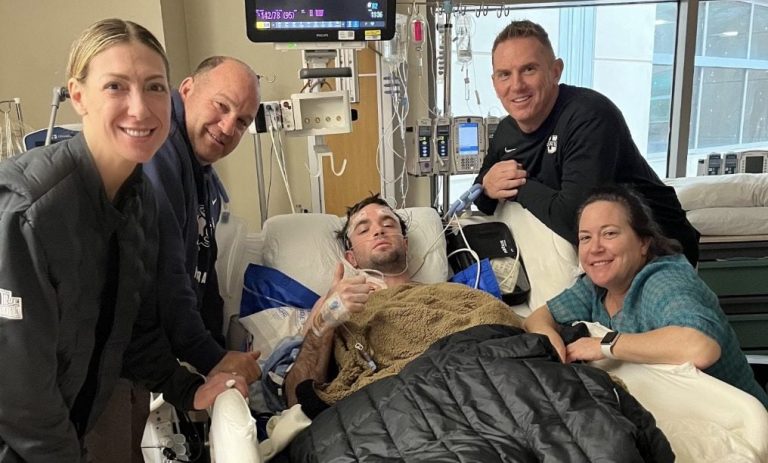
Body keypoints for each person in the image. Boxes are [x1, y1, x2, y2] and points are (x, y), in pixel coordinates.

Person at [0, 19, 247, 461]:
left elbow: (131, 331)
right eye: (116, 86)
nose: (140, 108)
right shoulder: (30, 212)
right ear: (78, 96)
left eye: (154, 88)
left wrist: (188, 389)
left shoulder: (137, 201)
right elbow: (19, 394)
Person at [278, 194, 673, 462]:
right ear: (351, 257)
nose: (378, 229)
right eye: (363, 228)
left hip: (494, 369)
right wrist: (325, 321)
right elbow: (294, 394)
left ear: (406, 243)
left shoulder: (459, 293)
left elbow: (516, 335)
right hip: (410, 398)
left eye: (387, 223)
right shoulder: (339, 311)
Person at [473, 20, 700, 267]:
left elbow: (578, 223)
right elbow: (481, 198)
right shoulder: (506, 131)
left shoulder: (590, 116)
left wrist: (518, 185)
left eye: (529, 69)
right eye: (505, 74)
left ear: (555, 71)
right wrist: (488, 185)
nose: (516, 85)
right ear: (494, 82)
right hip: (602, 258)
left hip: (660, 252)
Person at [523, 185, 768, 408]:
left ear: (643, 243)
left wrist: (604, 345)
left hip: (739, 422)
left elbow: (700, 347)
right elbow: (538, 318)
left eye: (609, 233)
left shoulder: (663, 280)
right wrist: (551, 342)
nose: (595, 248)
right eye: (585, 237)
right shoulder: (594, 287)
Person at [143, 56, 262, 383]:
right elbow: (165, 272)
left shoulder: (198, 173)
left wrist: (219, 352)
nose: (228, 128)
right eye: (222, 106)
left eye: (242, 122)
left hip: (162, 349)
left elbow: (202, 268)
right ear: (187, 89)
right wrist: (211, 357)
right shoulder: (158, 148)